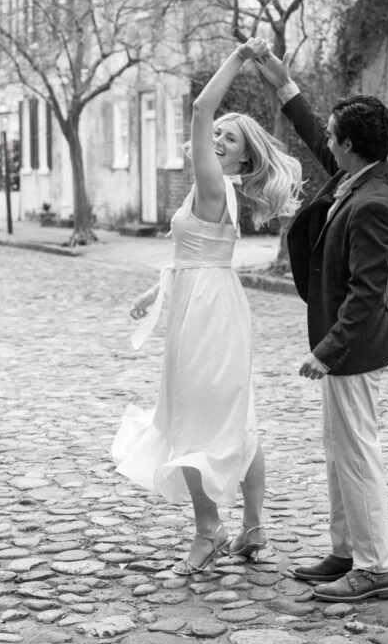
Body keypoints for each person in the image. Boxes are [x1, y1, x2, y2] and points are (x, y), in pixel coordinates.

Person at [112, 40, 302, 575]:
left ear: (244, 155)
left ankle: (208, 530)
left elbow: (199, 108)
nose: (215, 137)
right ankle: (255, 526)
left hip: (207, 313)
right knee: (235, 417)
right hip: (213, 300)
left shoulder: (214, 183)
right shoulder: (228, 189)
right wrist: (158, 291)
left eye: (228, 136)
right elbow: (192, 253)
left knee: (194, 418)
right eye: (216, 134)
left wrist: (240, 59)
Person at [253, 44, 388, 603]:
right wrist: (285, 86)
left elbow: (367, 294)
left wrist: (327, 351)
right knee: (338, 448)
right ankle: (347, 552)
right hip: (342, 347)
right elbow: (317, 133)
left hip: (354, 349)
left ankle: (377, 568)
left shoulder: (373, 201)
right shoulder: (357, 173)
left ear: (349, 146)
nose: (329, 143)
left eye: (334, 137)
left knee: (358, 453)